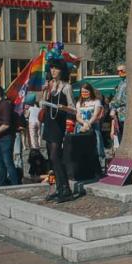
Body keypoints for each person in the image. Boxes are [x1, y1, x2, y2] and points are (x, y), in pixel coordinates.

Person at [41, 59, 75, 203]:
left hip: (58, 125)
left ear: (62, 70)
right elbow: (42, 104)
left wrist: (63, 108)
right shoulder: (49, 85)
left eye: (56, 68)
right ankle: (59, 187)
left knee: (55, 156)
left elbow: (73, 108)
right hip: (49, 122)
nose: (53, 71)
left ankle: (66, 189)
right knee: (51, 158)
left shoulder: (66, 87)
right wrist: (44, 93)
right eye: (51, 68)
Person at [0, 85, 21, 187]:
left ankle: (15, 184)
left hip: (6, 138)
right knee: (0, 163)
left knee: (8, 162)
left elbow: (6, 124)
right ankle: (2, 183)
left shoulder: (5, 105)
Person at [75, 83, 105, 171]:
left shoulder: (96, 101)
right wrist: (84, 123)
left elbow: (96, 114)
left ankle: (101, 167)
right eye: (82, 92)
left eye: (86, 91)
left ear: (90, 91)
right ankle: (83, 167)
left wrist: (88, 124)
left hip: (93, 126)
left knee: (98, 146)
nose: (84, 93)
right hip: (81, 126)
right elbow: (78, 116)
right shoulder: (79, 103)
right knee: (81, 148)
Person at [110, 64, 127, 143]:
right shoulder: (121, 83)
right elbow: (116, 97)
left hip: (126, 114)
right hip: (119, 114)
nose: (119, 72)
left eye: (122, 70)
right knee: (120, 137)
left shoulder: (130, 82)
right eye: (118, 71)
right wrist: (113, 107)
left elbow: (126, 99)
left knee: (125, 137)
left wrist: (113, 104)